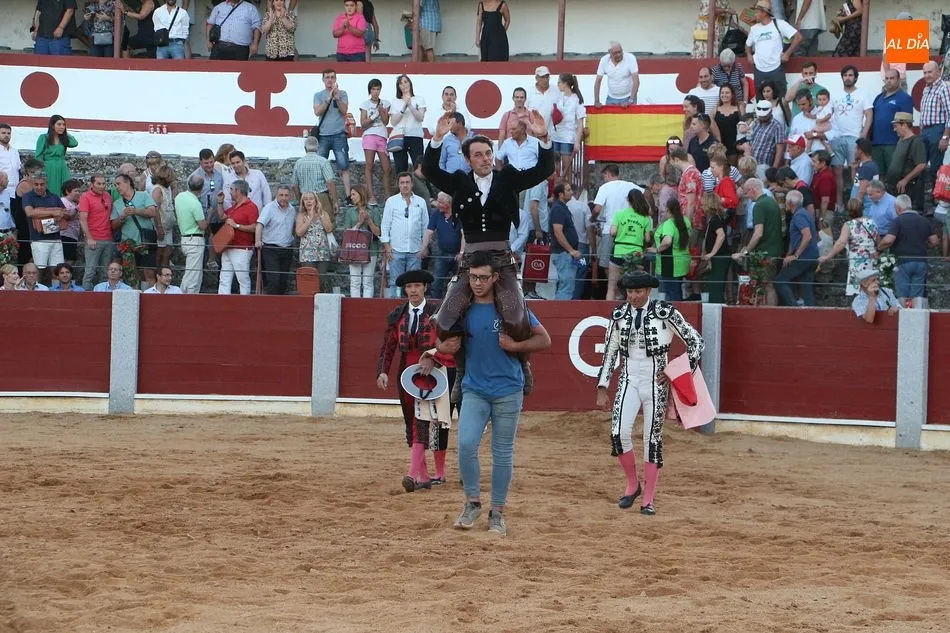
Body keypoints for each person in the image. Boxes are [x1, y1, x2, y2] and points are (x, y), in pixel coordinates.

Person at [422, 111, 554, 400]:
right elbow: (429, 171)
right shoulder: (459, 181)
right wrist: (437, 139)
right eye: (478, 155)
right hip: (470, 261)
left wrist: (544, 138)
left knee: (516, 317)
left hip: (501, 260)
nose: (484, 159)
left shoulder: (508, 178)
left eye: (487, 154)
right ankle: (461, 370)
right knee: (445, 319)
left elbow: (543, 170)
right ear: (468, 159)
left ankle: (523, 362)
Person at [439, 250, 551, 535]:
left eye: (483, 278)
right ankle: (472, 502)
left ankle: (497, 512)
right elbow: (440, 340)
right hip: (474, 388)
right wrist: (442, 348)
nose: (477, 283)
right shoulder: (462, 309)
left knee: (502, 453)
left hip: (508, 389)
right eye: (473, 277)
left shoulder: (511, 308)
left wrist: (515, 347)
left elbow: (545, 340)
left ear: (495, 278)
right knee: (466, 445)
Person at [596, 270, 704, 516]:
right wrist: (602, 386)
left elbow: (696, 342)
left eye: (637, 292)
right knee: (617, 434)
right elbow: (610, 351)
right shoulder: (619, 314)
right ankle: (633, 485)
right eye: (629, 292)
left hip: (656, 383)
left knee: (652, 440)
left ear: (648, 291)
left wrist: (676, 371)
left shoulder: (665, 312)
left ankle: (648, 498)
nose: (633, 296)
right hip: (628, 380)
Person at [377, 270, 455, 492]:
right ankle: (422, 475)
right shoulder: (397, 315)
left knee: (435, 422)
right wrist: (382, 372)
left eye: (417, 286)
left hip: (437, 371)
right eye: (409, 287)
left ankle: (429, 473)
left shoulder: (438, 313)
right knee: (413, 420)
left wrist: (433, 357)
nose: (413, 290)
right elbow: (388, 347)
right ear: (405, 290)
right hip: (408, 374)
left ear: (425, 288)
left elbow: (450, 342)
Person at [877, 195, 938, 304]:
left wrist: (879, 248)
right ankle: (917, 313)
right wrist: (924, 246)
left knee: (902, 295)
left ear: (898, 209)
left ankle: (903, 313)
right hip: (921, 261)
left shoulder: (898, 221)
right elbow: (934, 241)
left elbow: (889, 240)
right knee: (917, 296)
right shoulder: (924, 220)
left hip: (902, 261)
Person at [733, 178, 781, 305]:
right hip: (774, 249)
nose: (747, 197)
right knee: (768, 285)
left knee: (766, 285)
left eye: (747, 193)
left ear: (752, 190)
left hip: (764, 252)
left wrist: (746, 251)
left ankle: (768, 312)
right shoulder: (772, 202)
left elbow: (758, 233)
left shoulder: (759, 206)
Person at [818, 197, 879, 296]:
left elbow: (841, 243)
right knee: (873, 291)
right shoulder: (872, 222)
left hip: (857, 263)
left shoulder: (849, 225)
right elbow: (878, 241)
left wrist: (828, 256)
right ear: (862, 208)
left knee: (859, 292)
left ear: (848, 211)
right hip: (872, 262)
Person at [381, 173, 428, 297]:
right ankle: (395, 306)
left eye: (407, 182)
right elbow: (385, 225)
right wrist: (387, 246)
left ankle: (412, 306)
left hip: (415, 249)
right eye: (402, 183)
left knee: (415, 283)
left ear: (412, 184)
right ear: (398, 185)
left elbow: (425, 226)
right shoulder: (391, 201)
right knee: (395, 282)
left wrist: (424, 246)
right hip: (396, 249)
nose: (405, 185)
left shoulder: (421, 202)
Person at [745, 0, 801, 99]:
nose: (755, 14)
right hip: (759, 69)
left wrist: (787, 54)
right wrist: (749, 55)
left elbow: (798, 37)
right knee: (761, 102)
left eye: (757, 11)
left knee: (781, 99)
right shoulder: (754, 28)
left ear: (764, 12)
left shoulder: (779, 24)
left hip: (776, 68)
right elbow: (747, 45)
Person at [111, 173, 158, 289]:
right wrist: (122, 217)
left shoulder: (143, 195)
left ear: (128, 182)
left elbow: (153, 212)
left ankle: (151, 296)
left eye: (118, 184)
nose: (117, 187)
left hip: (146, 242)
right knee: (131, 275)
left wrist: (135, 211)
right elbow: (113, 225)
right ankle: (133, 296)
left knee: (149, 273)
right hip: (128, 244)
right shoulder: (117, 204)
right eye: (115, 185)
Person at [214, 180, 259, 295]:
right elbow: (222, 216)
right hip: (228, 246)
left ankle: (245, 302)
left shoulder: (251, 207)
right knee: (224, 278)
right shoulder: (235, 206)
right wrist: (220, 202)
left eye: (231, 189)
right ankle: (222, 301)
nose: (230, 192)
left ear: (238, 191)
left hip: (241, 248)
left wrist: (237, 226)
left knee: (242, 279)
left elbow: (255, 227)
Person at [774, 189, 817, 306]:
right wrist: (788, 255)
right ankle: (810, 312)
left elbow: (807, 236)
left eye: (786, 201)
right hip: (812, 256)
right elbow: (795, 239)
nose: (785, 203)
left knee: (780, 281)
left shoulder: (799, 216)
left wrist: (795, 255)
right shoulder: (804, 213)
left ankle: (793, 308)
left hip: (803, 257)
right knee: (806, 288)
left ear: (790, 203)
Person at [313, 69, 352, 198]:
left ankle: (348, 196)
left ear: (335, 79)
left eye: (332, 77)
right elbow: (317, 112)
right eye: (327, 77)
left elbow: (344, 110)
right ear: (323, 80)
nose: (330, 80)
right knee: (320, 166)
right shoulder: (318, 95)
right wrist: (328, 99)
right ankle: (319, 194)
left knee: (344, 166)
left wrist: (337, 98)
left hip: (339, 134)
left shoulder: (343, 93)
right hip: (323, 135)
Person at [22, 171, 66, 285]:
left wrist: (60, 213)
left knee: (57, 270)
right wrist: (52, 212)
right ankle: (37, 291)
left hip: (56, 238)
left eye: (42, 184)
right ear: (33, 183)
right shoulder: (28, 196)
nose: (39, 187)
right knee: (39, 270)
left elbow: (64, 212)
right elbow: (29, 213)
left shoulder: (54, 196)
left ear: (46, 183)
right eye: (36, 184)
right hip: (39, 239)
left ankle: (56, 291)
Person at [608, 189, 653, 300]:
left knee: (612, 288)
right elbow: (647, 239)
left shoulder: (619, 214)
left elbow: (612, 232)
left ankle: (609, 309)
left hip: (618, 251)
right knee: (634, 288)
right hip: (636, 254)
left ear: (628, 200)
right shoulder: (645, 217)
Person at [255, 185, 296, 295]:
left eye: (286, 195)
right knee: (273, 279)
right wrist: (257, 241)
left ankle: (280, 303)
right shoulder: (269, 208)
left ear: (290, 196)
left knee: (283, 280)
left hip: (287, 248)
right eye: (281, 195)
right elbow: (259, 225)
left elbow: (292, 227)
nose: (283, 198)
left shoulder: (292, 209)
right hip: (271, 248)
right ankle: (271, 303)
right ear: (276, 196)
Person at [343, 184, 383, 298]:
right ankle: (355, 305)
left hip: (371, 249)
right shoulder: (350, 212)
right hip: (354, 249)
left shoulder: (374, 211)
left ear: (361, 194)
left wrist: (369, 221)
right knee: (355, 281)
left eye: (353, 194)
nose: (351, 197)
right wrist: (359, 223)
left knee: (368, 281)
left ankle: (367, 305)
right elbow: (346, 233)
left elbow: (378, 232)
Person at [421, 192, 463, 300]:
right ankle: (435, 304)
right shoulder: (436, 213)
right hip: (442, 253)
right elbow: (429, 232)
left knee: (459, 282)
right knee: (436, 282)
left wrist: (462, 252)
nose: (438, 204)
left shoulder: (459, 214)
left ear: (449, 203)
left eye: (441, 202)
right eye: (438, 201)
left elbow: (464, 234)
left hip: (457, 254)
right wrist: (424, 247)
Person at [359, 78, 392, 205]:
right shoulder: (365, 104)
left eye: (378, 89)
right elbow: (363, 123)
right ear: (370, 90)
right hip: (369, 135)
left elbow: (386, 121)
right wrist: (374, 114)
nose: (376, 92)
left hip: (382, 136)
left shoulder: (385, 103)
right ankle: (371, 196)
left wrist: (382, 111)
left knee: (387, 167)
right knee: (369, 165)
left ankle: (387, 195)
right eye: (373, 89)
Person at [651, 199, 691, 300]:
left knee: (672, 293)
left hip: (670, 264)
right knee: (677, 290)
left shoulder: (669, 224)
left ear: (668, 210)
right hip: (683, 261)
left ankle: (674, 310)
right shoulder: (686, 220)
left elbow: (667, 241)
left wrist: (657, 250)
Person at [175, 174, 208, 294]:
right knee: (193, 275)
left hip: (185, 238)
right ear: (201, 188)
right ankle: (186, 297)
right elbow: (203, 225)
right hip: (195, 239)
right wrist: (210, 215)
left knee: (192, 272)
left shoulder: (179, 197)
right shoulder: (195, 203)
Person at [389, 74, 427, 176]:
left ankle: (422, 186)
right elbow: (393, 122)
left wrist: (410, 105)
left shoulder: (419, 99)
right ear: (398, 87)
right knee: (400, 168)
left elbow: (420, 117)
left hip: (415, 136)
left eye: (406, 82)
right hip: (399, 137)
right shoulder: (395, 102)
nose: (404, 85)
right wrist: (403, 107)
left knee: (419, 168)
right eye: (401, 83)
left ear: (410, 83)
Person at [550, 181, 582, 300]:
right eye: (568, 190)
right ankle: (561, 309)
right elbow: (558, 231)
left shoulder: (562, 208)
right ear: (560, 194)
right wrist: (571, 250)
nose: (571, 192)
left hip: (566, 253)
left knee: (568, 284)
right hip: (563, 254)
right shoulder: (558, 209)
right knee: (566, 285)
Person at [552, 73, 586, 182]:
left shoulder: (577, 100)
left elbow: (580, 123)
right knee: (555, 165)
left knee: (566, 166)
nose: (558, 85)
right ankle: (555, 186)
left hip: (568, 136)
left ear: (565, 83)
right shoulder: (559, 97)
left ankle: (568, 185)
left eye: (559, 82)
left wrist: (577, 142)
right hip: (556, 134)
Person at [34, 115, 76, 197]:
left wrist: (65, 133)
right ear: (52, 126)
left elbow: (74, 143)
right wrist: (40, 172)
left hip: (62, 167)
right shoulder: (43, 137)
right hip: (49, 167)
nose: (62, 127)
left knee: (66, 189)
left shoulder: (63, 139)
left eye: (63, 125)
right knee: (51, 190)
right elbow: (38, 156)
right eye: (59, 124)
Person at [700, 193, 731, 303]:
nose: (702, 206)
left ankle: (716, 306)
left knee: (715, 286)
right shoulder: (716, 218)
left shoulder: (715, 220)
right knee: (714, 284)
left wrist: (712, 253)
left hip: (719, 256)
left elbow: (721, 235)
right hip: (719, 256)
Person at [594, 41, 639, 106]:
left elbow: (636, 81)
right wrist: (596, 101)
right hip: (611, 98)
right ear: (610, 53)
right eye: (615, 53)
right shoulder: (604, 60)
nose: (618, 55)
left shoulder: (630, 58)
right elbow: (598, 81)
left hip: (628, 97)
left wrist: (631, 100)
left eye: (620, 52)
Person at [150, 164, 177, 271]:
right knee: (160, 252)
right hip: (161, 226)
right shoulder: (158, 190)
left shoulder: (167, 188)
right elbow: (155, 209)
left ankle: (164, 272)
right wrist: (159, 227)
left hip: (168, 226)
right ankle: (158, 272)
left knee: (167, 252)